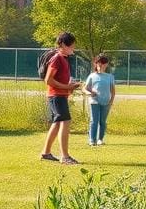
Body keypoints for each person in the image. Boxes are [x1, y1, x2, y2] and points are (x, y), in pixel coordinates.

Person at [41, 31, 81, 163]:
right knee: (65, 122)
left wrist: (70, 86)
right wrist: (68, 87)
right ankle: (65, 156)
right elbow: (48, 80)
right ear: (63, 44)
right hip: (56, 96)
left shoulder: (64, 59)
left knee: (57, 123)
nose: (73, 49)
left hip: (59, 96)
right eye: (72, 46)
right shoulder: (57, 58)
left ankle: (46, 153)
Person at [84, 53, 115, 146]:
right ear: (96, 64)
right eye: (99, 63)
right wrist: (90, 93)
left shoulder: (110, 77)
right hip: (94, 101)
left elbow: (113, 91)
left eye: (104, 63)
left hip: (106, 102)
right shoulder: (92, 76)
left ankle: (100, 139)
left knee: (102, 121)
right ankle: (92, 140)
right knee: (94, 120)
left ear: (106, 65)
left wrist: (111, 102)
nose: (101, 65)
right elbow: (85, 88)